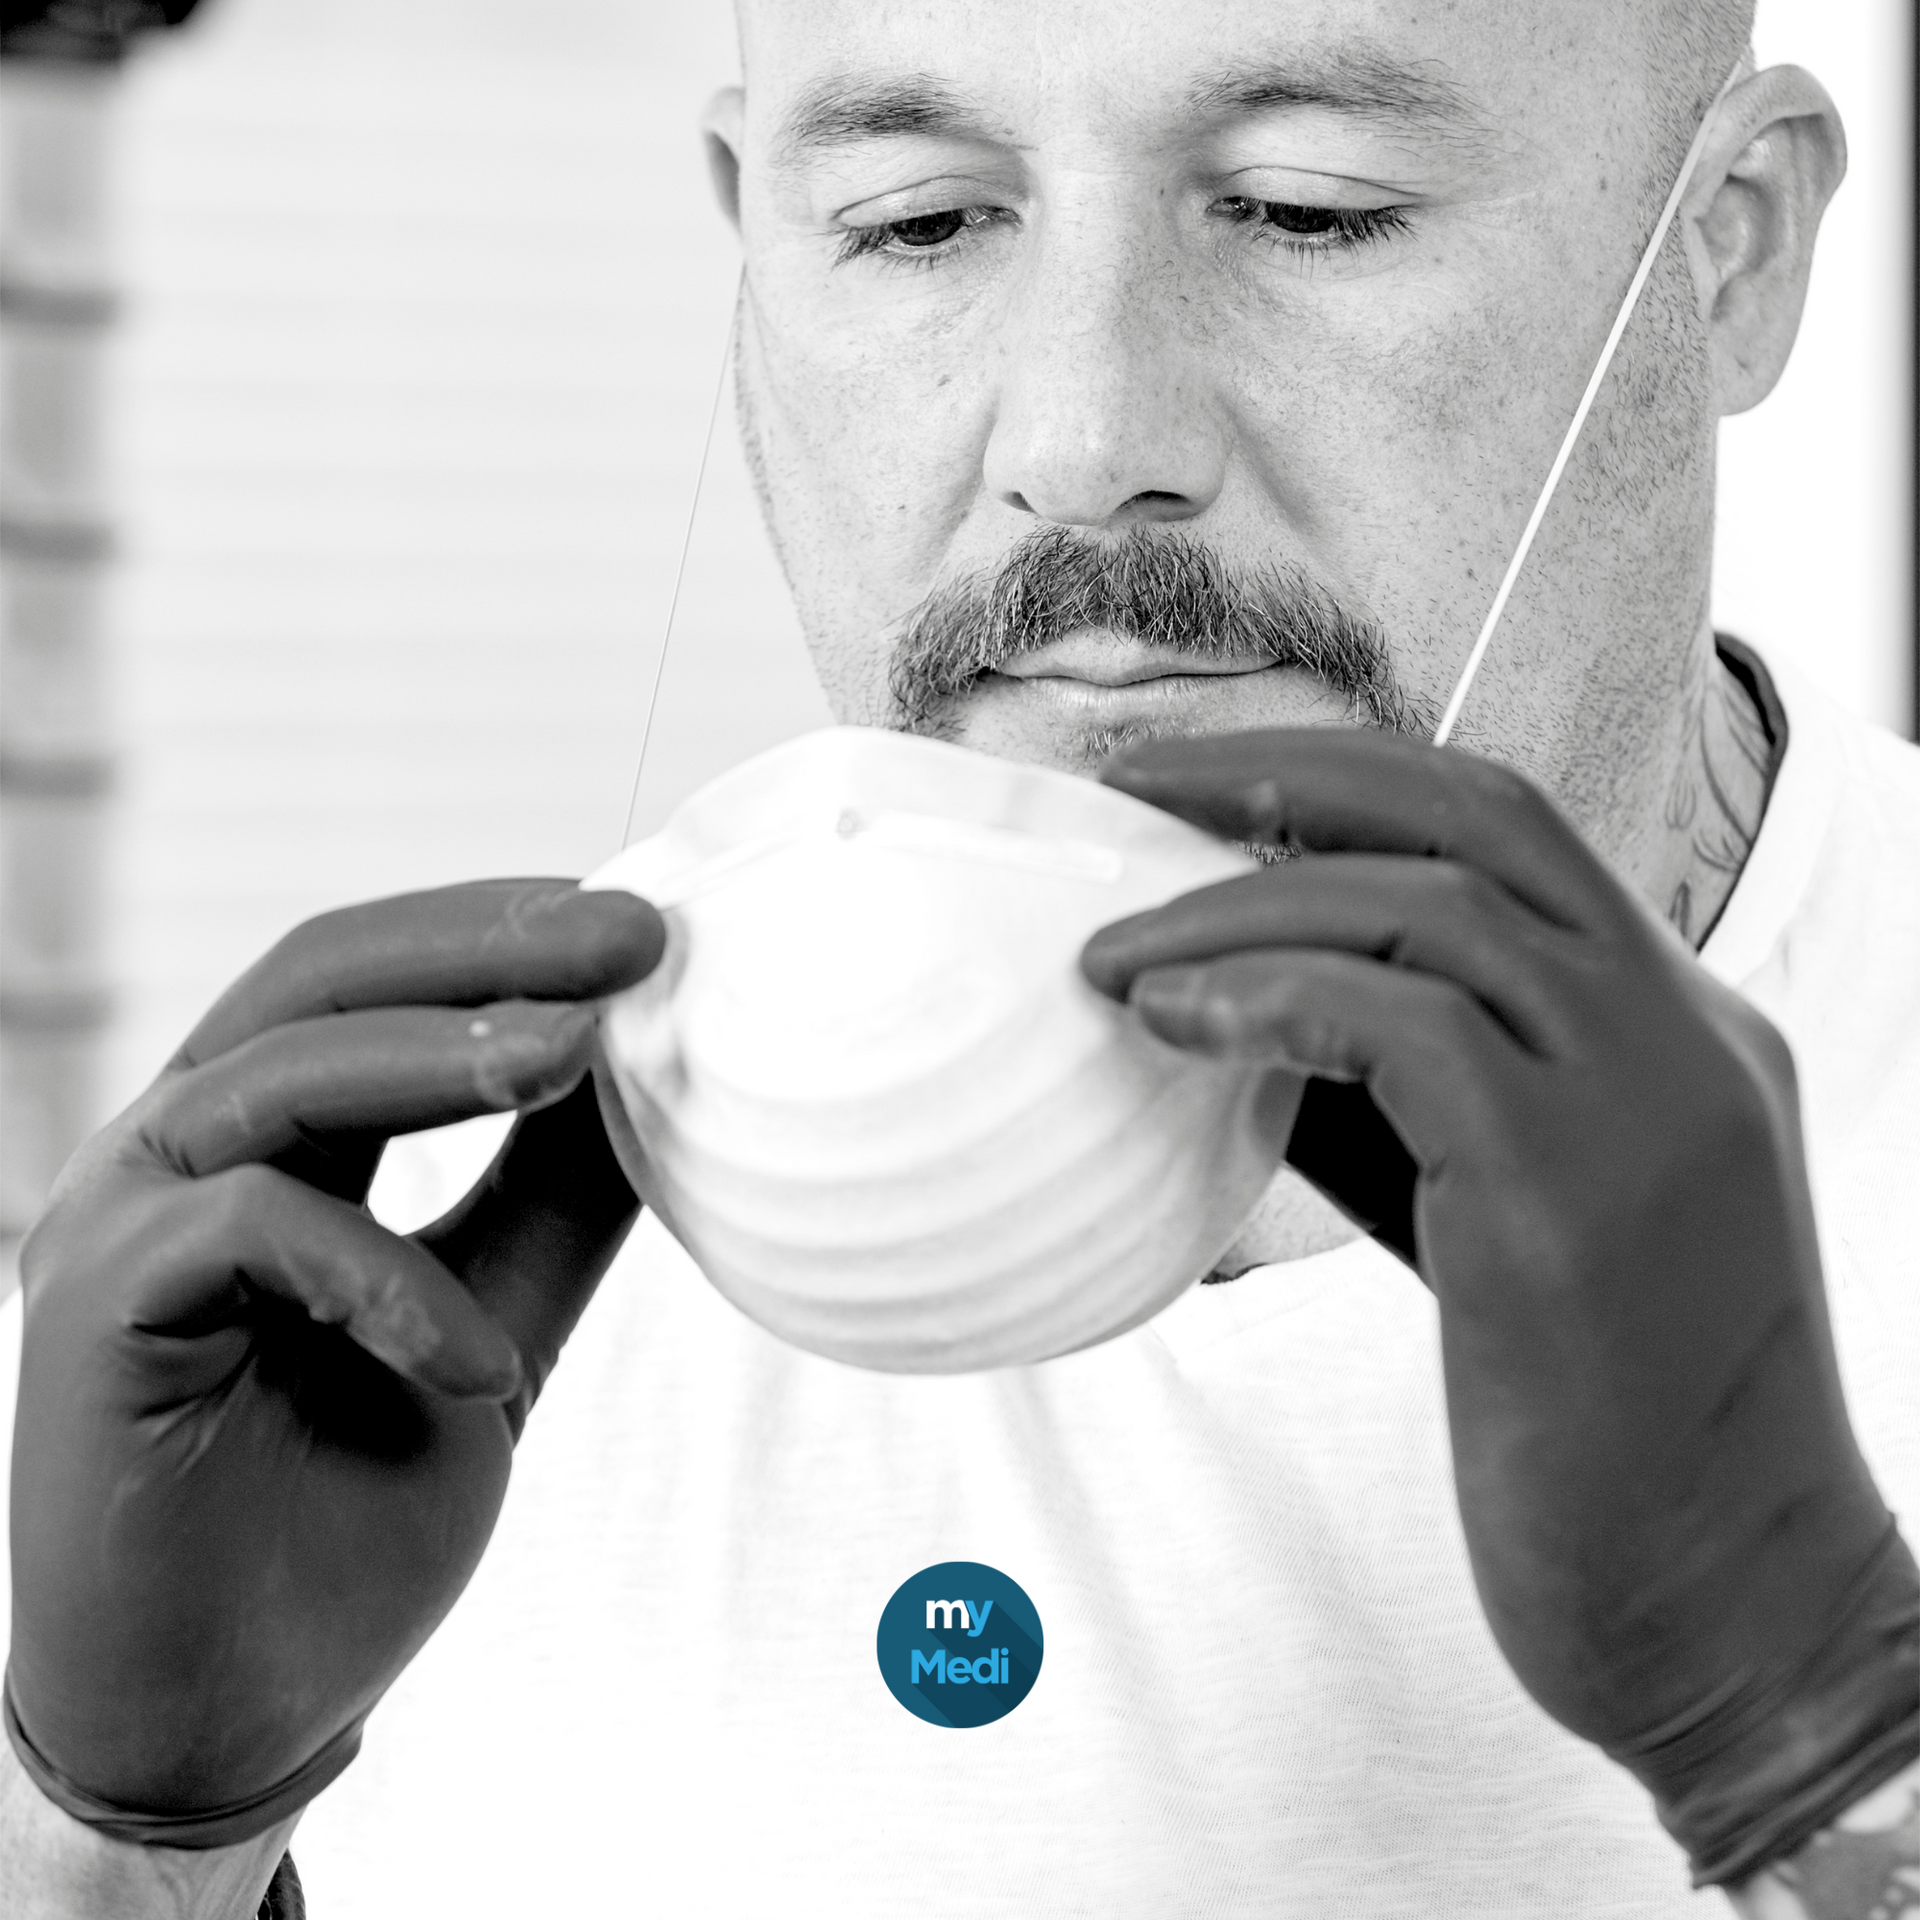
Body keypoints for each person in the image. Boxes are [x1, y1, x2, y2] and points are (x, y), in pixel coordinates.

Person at [1, 0, 1915, 1913]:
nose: (1079, 445)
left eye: (1306, 208)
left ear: (1729, 249)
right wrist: (121, 1856)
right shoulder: (351, 1292)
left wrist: (1841, 1757)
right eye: (916, 223)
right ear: (757, 243)